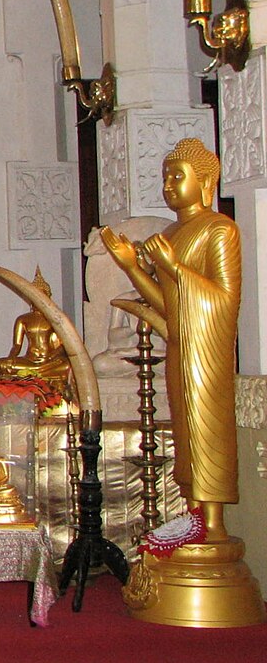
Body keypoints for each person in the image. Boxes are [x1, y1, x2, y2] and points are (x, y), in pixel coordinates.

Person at [101, 138, 240, 540]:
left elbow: (224, 300)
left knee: (206, 431)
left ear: (206, 181)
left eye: (178, 176)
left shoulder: (220, 230)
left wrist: (174, 266)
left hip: (207, 350)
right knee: (184, 432)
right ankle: (193, 517)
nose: (169, 185)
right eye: (165, 177)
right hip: (181, 345)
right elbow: (167, 304)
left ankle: (212, 526)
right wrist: (131, 267)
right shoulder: (172, 232)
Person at [0, 266, 71, 388]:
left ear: (47, 297)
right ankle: (35, 372)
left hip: (49, 361)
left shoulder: (55, 318)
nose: (37, 301)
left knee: (68, 365)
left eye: (41, 297)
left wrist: (51, 357)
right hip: (29, 360)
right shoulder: (23, 319)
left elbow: (61, 346)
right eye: (34, 297)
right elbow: (17, 345)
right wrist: (10, 359)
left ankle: (35, 372)